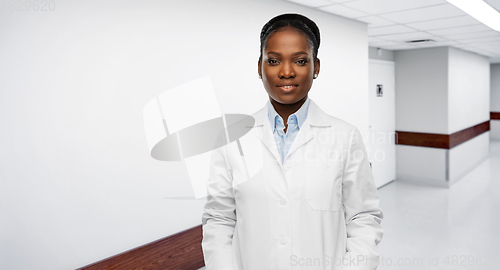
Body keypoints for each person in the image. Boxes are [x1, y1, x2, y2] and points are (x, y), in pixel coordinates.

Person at [202, 13, 383, 270]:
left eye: (299, 61)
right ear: (259, 67)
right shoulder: (232, 138)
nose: (286, 72)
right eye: (273, 60)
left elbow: (363, 217)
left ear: (316, 67)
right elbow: (219, 219)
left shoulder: (345, 136)